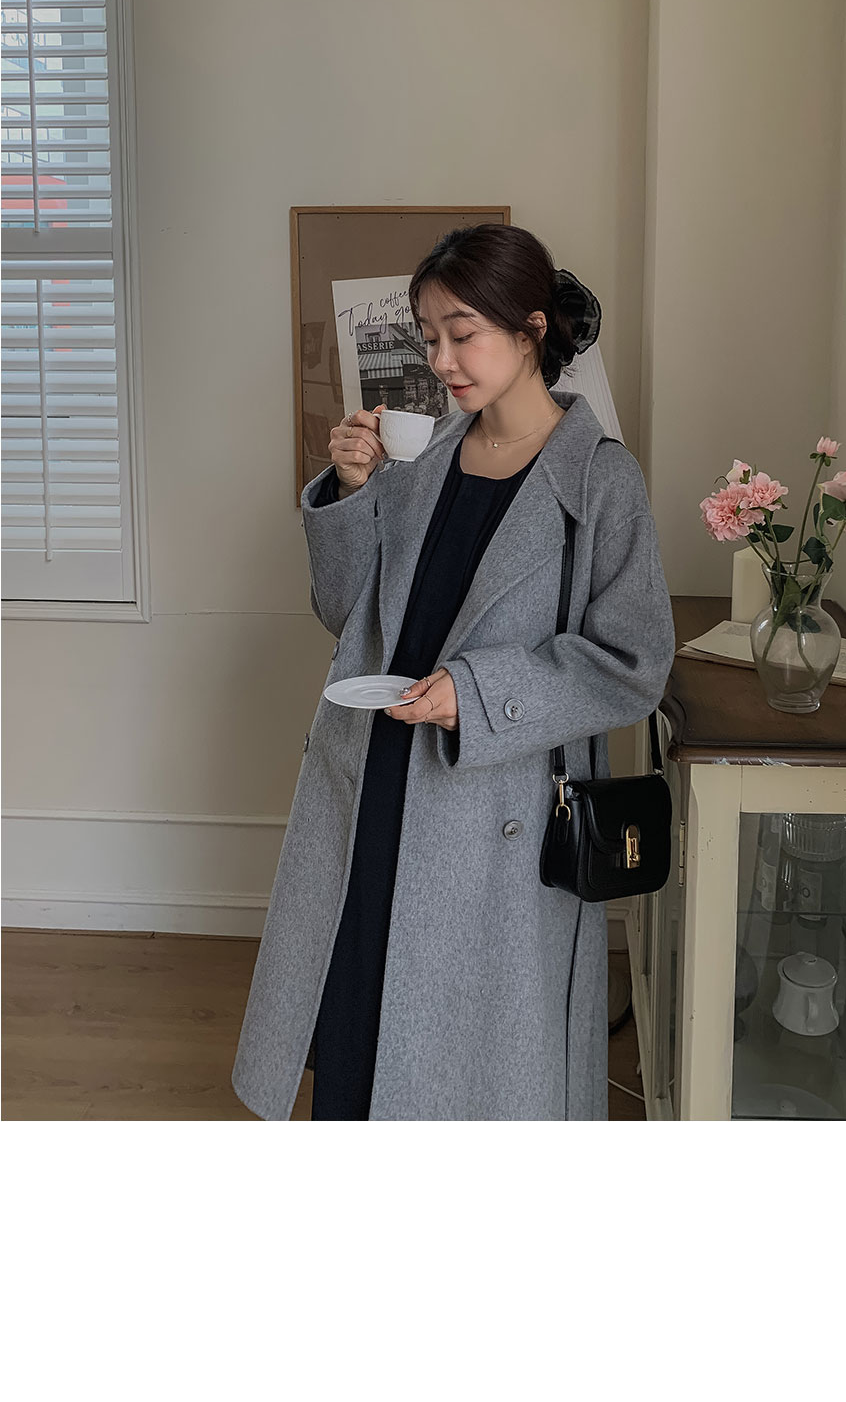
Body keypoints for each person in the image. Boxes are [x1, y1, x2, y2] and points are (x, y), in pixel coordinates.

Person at [231, 223, 675, 1121]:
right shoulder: (425, 454)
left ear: (531, 330)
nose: (440, 360)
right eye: (429, 336)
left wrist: (473, 696)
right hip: (373, 777)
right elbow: (347, 612)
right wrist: (350, 492)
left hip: (490, 813)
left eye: (461, 334)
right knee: (359, 1022)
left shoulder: (600, 480)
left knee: (468, 1065)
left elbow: (634, 664)